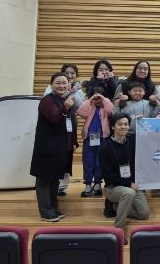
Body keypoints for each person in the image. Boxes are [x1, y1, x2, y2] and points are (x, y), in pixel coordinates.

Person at [100, 112, 150, 241]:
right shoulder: (105, 148)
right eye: (120, 124)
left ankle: (116, 206)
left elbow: (151, 136)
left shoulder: (132, 142)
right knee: (128, 193)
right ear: (113, 127)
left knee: (143, 214)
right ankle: (119, 231)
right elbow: (108, 176)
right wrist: (128, 184)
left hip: (131, 185)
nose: (123, 127)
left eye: (126, 124)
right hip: (113, 187)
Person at [31, 72, 73, 222]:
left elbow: (68, 124)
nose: (62, 86)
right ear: (51, 85)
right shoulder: (47, 101)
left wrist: (72, 143)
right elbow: (55, 118)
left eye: (64, 83)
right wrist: (66, 107)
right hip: (46, 149)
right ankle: (46, 212)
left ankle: (53, 208)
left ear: (68, 85)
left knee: (54, 180)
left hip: (59, 148)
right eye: (58, 83)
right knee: (44, 180)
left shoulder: (62, 100)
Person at [43, 63, 85, 196]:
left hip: (69, 125)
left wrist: (74, 93)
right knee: (55, 159)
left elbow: (81, 107)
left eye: (73, 73)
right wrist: (67, 91)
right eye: (67, 73)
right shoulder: (52, 88)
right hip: (54, 128)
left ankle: (62, 186)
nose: (70, 75)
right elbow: (49, 100)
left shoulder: (78, 90)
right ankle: (51, 187)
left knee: (67, 156)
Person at [77, 86, 113, 198]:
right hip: (89, 139)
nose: (97, 98)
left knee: (99, 163)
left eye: (99, 96)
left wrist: (104, 99)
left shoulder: (105, 106)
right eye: (94, 95)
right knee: (88, 162)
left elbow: (111, 111)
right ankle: (88, 184)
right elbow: (80, 112)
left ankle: (97, 184)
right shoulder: (89, 105)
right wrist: (90, 100)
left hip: (103, 139)